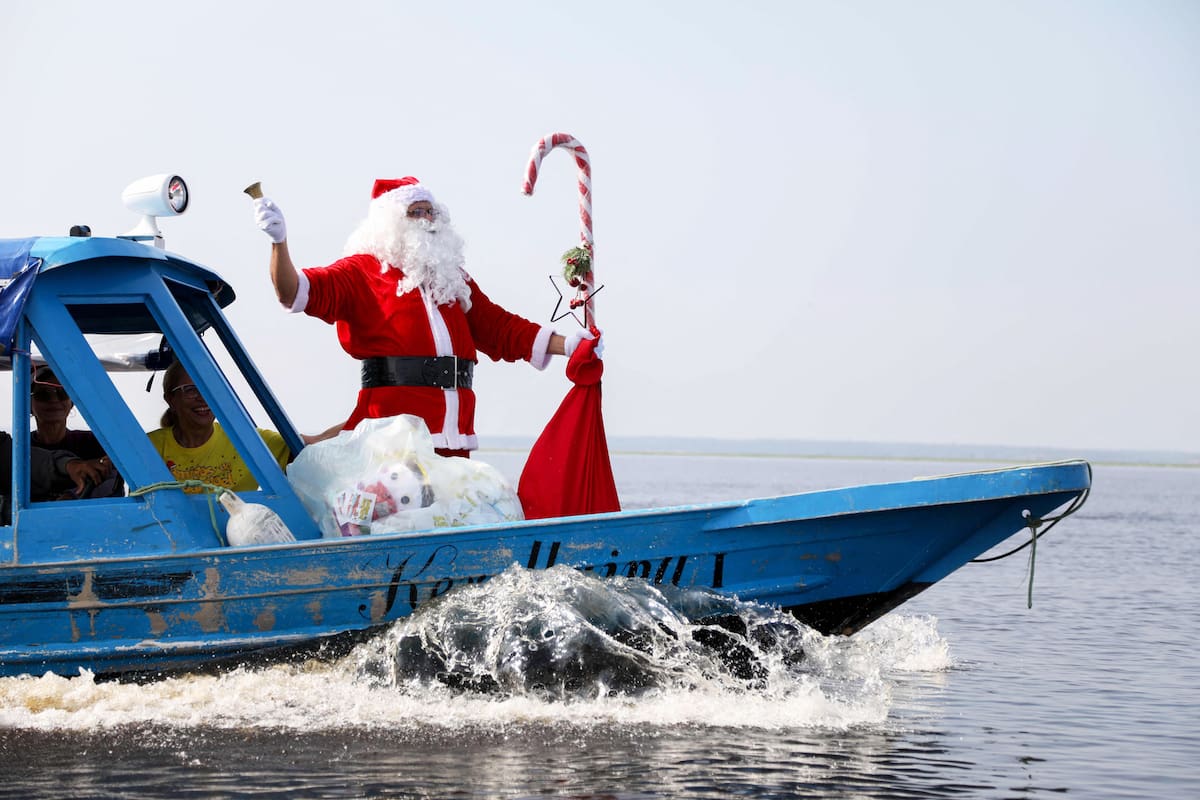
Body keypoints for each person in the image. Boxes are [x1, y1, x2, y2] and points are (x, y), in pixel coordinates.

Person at [252, 176, 596, 458]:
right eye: (417, 212)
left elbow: (499, 327)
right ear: (390, 223)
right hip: (393, 445)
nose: (428, 220)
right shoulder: (361, 272)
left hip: (452, 436)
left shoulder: (452, 278)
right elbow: (294, 291)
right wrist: (278, 243)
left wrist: (568, 345)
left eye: (432, 212)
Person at [146, 361, 290, 492]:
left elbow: (306, 448)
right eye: (190, 390)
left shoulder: (248, 440)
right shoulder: (149, 446)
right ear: (171, 399)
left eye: (207, 388)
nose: (202, 397)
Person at [30, 365, 124, 497]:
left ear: (71, 402)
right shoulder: (18, 450)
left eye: (63, 393)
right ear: (28, 402)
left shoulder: (96, 443)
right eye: (43, 394)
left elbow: (112, 485)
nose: (54, 400)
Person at [0, 431, 108, 523]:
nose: (52, 405)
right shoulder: (22, 444)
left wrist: (68, 466)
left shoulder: (94, 442)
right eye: (43, 404)